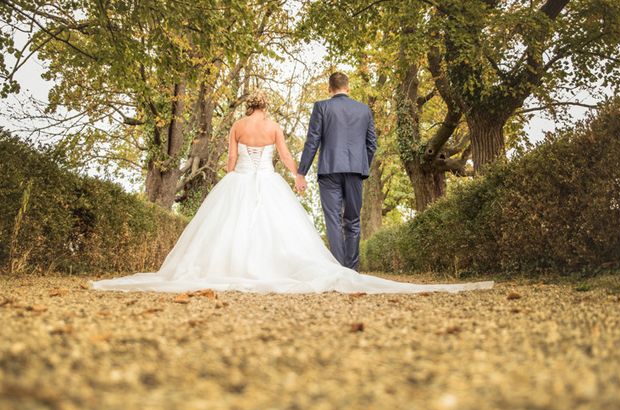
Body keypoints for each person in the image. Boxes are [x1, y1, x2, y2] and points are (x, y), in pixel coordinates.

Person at [90, 88, 493, 294]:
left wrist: (238, 171)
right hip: (266, 181)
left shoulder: (236, 126)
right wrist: (299, 177)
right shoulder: (274, 127)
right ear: (266, 108)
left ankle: (229, 269)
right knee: (276, 230)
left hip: (239, 183)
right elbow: (285, 157)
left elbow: (229, 165)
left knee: (229, 230)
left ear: (248, 107)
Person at [296, 72, 376, 271]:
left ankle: (339, 270)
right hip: (356, 171)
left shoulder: (321, 107)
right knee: (353, 220)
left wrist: (301, 171)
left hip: (329, 170)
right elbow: (372, 144)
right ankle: (352, 270)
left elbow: (312, 141)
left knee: (333, 220)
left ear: (329, 89)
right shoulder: (364, 110)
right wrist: (361, 165)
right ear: (348, 88)